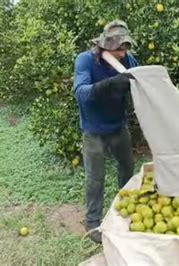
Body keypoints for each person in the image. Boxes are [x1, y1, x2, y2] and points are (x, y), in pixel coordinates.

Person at [73, 20, 138, 243]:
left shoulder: (128, 60)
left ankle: (125, 207)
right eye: (118, 48)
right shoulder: (85, 60)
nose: (123, 53)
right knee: (95, 177)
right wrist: (110, 84)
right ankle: (92, 222)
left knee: (127, 167)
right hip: (94, 130)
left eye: (125, 47)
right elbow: (81, 93)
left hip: (118, 126)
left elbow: (140, 82)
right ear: (104, 46)